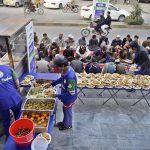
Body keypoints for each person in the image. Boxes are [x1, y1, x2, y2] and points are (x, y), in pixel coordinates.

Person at [45, 55, 77, 130]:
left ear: (62, 66)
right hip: (65, 96)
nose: (55, 69)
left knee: (67, 112)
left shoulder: (70, 77)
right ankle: (64, 122)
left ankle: (67, 125)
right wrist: (51, 84)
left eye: (57, 67)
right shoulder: (65, 70)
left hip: (69, 98)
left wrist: (55, 95)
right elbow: (61, 79)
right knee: (65, 110)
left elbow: (70, 93)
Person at [0, 64, 22, 139]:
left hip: (2, 102)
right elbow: (17, 84)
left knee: (5, 119)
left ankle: (8, 137)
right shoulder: (9, 68)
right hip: (14, 97)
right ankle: (20, 132)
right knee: (18, 115)